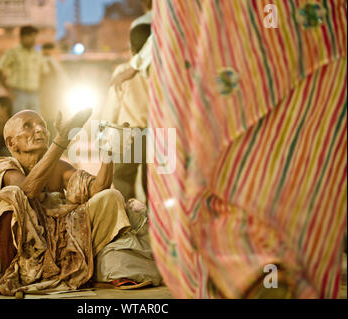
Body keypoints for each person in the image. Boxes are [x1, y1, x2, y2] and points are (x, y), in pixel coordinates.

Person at [116, 0, 347, 298]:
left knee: (189, 188)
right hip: (277, 66)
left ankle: (248, 263)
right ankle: (261, 264)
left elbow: (161, 58)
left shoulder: (157, 31)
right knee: (269, 169)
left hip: (189, 116)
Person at [0, 109, 132, 296]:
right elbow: (26, 193)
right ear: (11, 143)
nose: (38, 129)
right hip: (14, 259)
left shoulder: (60, 166)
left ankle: (82, 268)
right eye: (28, 126)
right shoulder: (2, 167)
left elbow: (97, 190)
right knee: (10, 196)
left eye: (42, 126)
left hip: (57, 254)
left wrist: (110, 150)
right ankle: (6, 272)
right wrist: (62, 140)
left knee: (111, 197)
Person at [103, 21, 151, 202]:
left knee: (123, 180)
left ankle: (130, 222)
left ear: (131, 46)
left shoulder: (123, 71)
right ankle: (157, 222)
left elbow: (112, 106)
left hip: (129, 132)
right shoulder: (161, 71)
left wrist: (106, 131)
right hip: (159, 132)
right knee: (156, 181)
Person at [0, 25, 49, 115]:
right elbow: (0, 69)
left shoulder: (38, 54)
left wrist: (42, 91)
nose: (33, 40)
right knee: (19, 123)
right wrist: (8, 91)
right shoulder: (13, 52)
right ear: (22, 37)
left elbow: (45, 73)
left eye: (34, 37)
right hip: (18, 94)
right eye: (30, 37)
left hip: (34, 94)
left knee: (35, 123)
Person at [39, 42, 68, 144]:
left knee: (54, 119)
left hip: (54, 94)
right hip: (46, 94)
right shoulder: (43, 61)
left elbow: (61, 77)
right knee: (47, 119)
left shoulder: (54, 60)